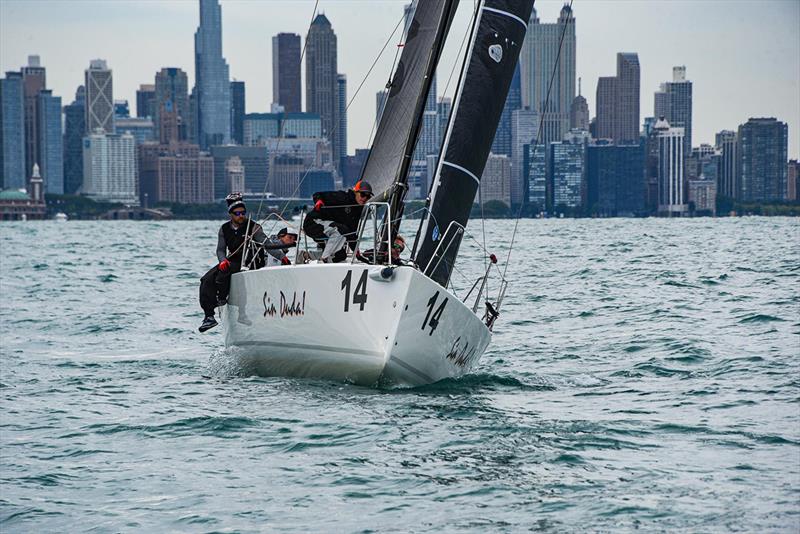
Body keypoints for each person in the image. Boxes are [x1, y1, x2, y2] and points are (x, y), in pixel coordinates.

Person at [198, 194, 291, 332]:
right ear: (231, 214)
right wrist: (222, 260)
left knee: (223, 275)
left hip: (250, 260)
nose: (241, 215)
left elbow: (266, 244)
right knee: (206, 280)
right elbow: (220, 250)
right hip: (232, 260)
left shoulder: (254, 227)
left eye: (243, 213)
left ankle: (222, 298)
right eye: (237, 213)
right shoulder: (224, 229)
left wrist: (282, 257)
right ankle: (209, 317)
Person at [303, 180, 373, 263]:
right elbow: (318, 194)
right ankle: (324, 260)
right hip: (313, 223)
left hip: (329, 230)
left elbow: (351, 232)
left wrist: (357, 253)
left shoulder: (358, 209)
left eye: (368, 197)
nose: (365, 198)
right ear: (355, 192)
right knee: (341, 230)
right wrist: (319, 202)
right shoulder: (342, 197)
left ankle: (305, 256)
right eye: (363, 194)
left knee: (340, 256)